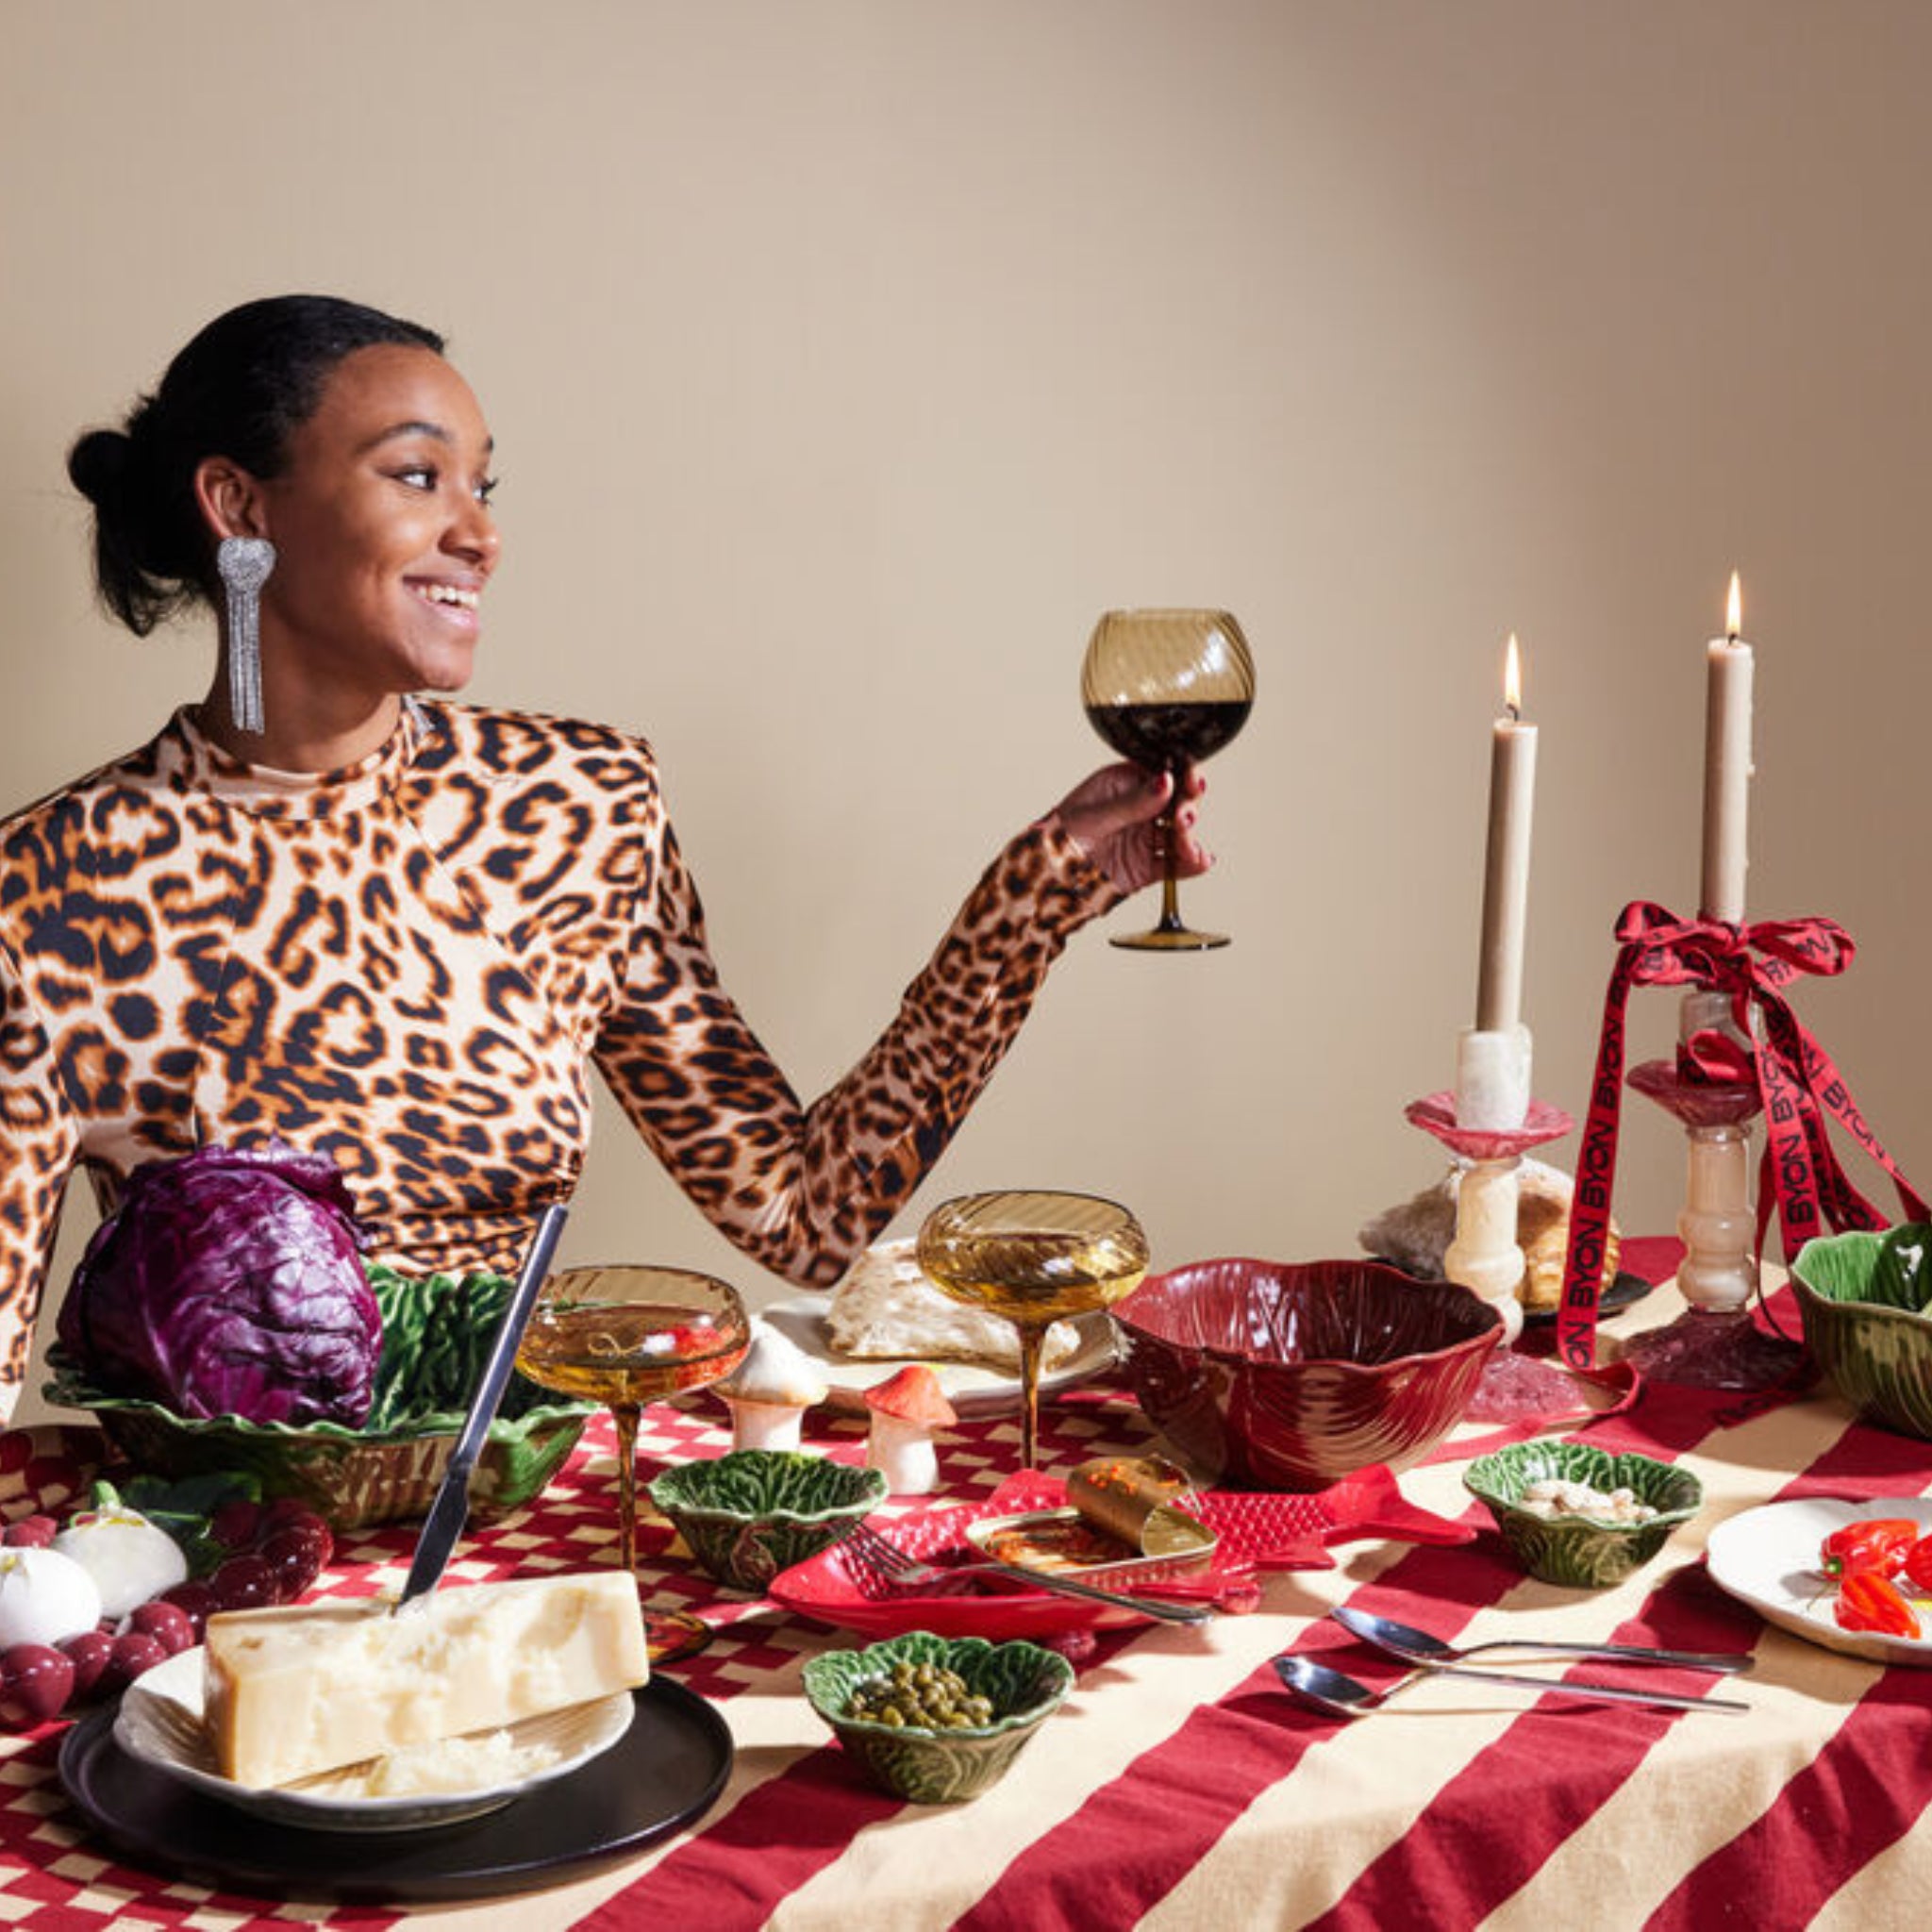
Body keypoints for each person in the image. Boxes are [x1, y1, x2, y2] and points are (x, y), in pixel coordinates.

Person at [0, 294, 1210, 1416]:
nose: (479, 534)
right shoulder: (44, 892)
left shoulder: (578, 803)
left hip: (535, 1520)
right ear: (242, 507)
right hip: (231, 1572)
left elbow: (801, 1216)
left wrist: (1036, 895)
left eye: (482, 486)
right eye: (418, 477)